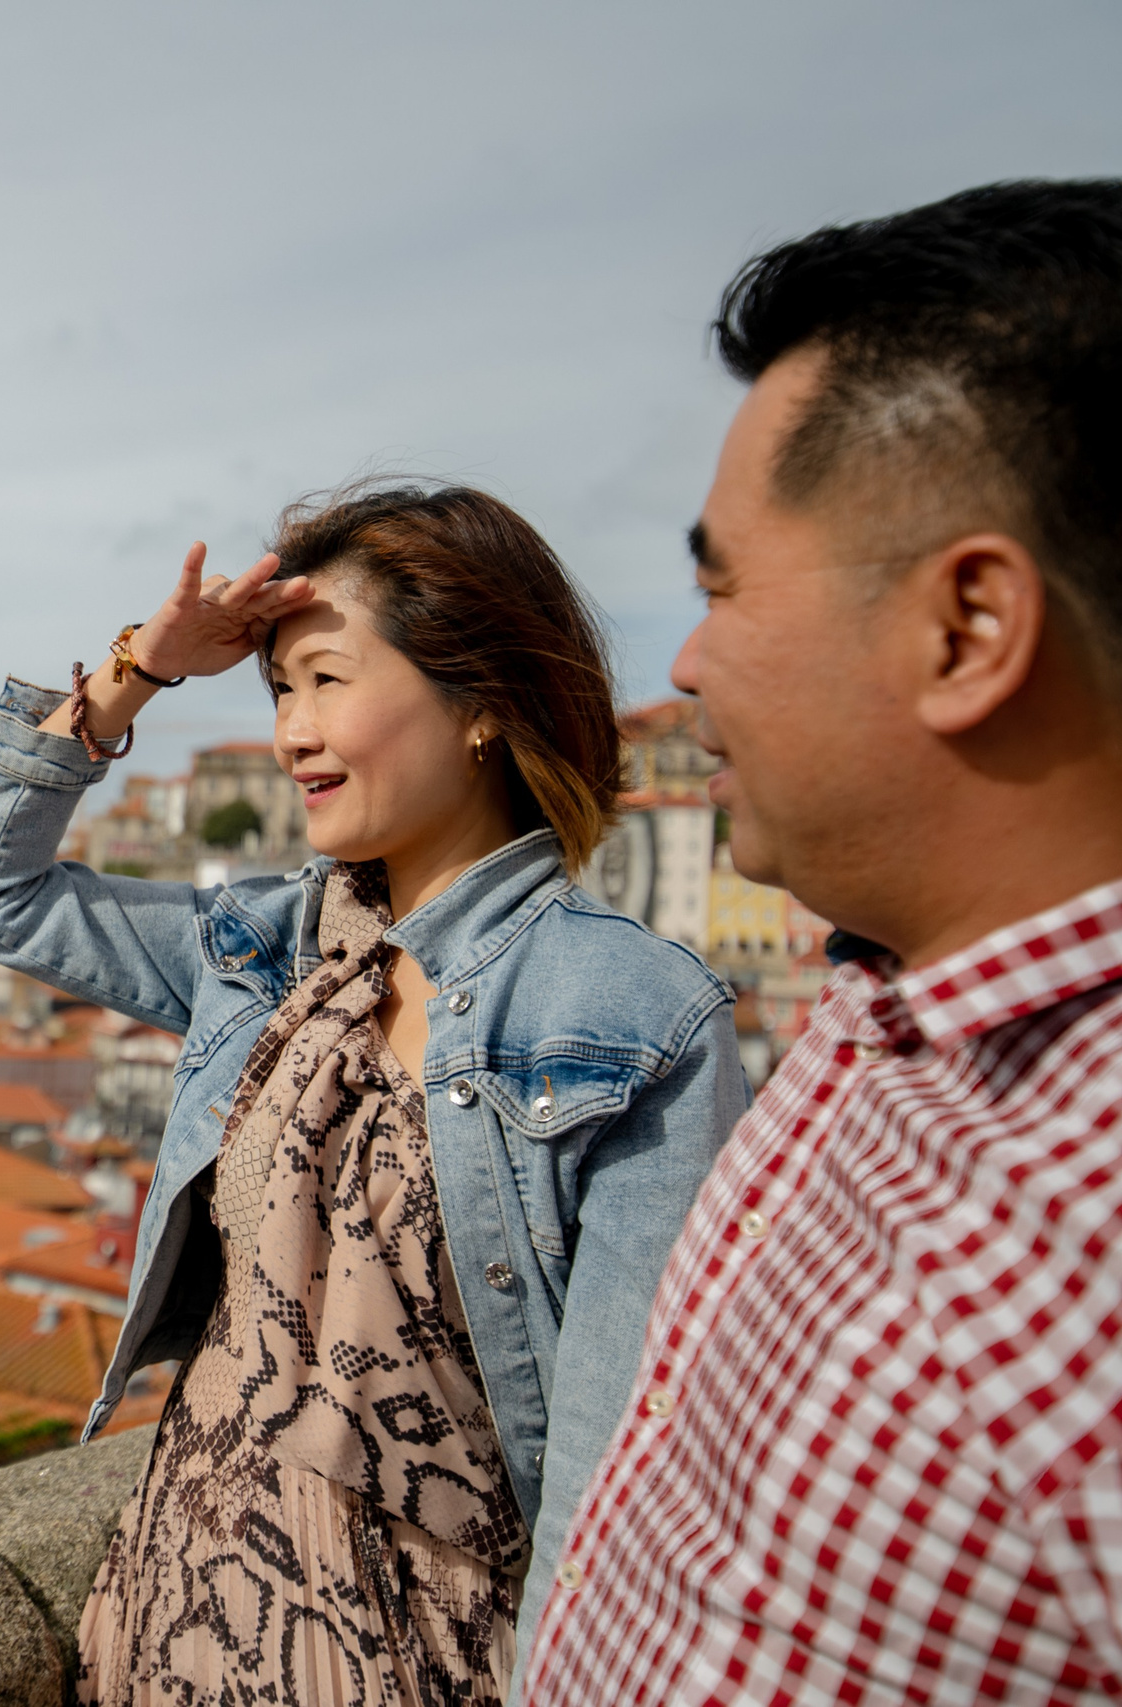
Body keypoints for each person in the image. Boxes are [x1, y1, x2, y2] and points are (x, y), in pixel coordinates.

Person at [0, 483, 752, 1704]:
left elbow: (625, 1451)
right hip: (165, 1612)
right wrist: (137, 672)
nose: (291, 733)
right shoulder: (267, 948)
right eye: (278, 691)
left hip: (413, 1656)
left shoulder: (635, 1016)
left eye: (328, 681)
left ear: (480, 705)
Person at [521, 179, 1122, 1704]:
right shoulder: (888, 1007)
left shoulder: (1084, 1245)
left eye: (722, 582)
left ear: (965, 627)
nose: (686, 654)